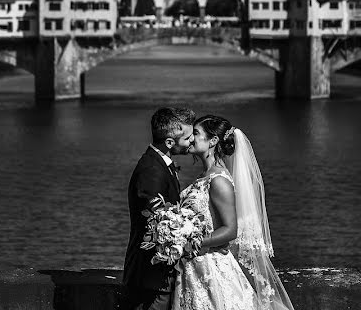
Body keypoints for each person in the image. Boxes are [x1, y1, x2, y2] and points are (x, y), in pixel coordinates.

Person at [173, 115, 294, 310]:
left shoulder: (219, 180)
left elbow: (230, 230)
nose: (190, 137)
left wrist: (191, 242)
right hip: (193, 267)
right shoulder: (204, 176)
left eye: (196, 133)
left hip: (210, 268)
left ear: (212, 141)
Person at [123, 106, 196, 310]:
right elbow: (155, 223)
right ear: (170, 142)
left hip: (157, 276)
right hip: (150, 277)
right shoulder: (151, 171)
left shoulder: (160, 163)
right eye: (188, 137)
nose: (192, 141)